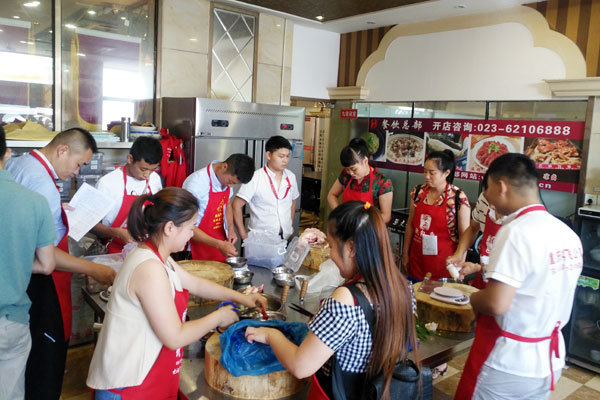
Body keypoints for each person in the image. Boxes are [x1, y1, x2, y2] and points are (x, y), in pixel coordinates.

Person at [87, 188, 266, 399]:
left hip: (146, 375)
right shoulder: (149, 268)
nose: (192, 234)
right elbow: (174, 337)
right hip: (127, 386)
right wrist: (219, 316)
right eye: (191, 227)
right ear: (170, 228)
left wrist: (241, 297)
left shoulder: (158, 255)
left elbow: (194, 283)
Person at [245, 201, 417, 400]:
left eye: (333, 247)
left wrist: (270, 335)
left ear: (351, 248)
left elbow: (301, 366)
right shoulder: (404, 287)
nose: (331, 256)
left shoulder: (347, 298)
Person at [455, 153, 583, 400]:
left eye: (488, 189)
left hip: (509, 361)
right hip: (549, 358)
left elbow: (496, 303)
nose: (488, 198)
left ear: (501, 187)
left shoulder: (515, 230)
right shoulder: (566, 234)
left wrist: (471, 297)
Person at [7, 127, 116, 399]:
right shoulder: (42, 184)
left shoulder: (21, 164)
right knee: (44, 364)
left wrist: (57, 209)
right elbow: (46, 257)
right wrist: (95, 268)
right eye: (78, 164)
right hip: (40, 284)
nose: (77, 172)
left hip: (17, 280)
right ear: (62, 150)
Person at [0, 126, 56, 400]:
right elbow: (47, 265)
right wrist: (15, 260)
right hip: (10, 322)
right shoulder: (35, 202)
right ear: (7, 154)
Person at [402, 150, 470, 280]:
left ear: (446, 173)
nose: (427, 176)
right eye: (425, 172)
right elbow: (410, 224)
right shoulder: (418, 192)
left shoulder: (457, 198)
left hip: (444, 264)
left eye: (432, 173)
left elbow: (465, 237)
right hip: (417, 260)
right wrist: (405, 253)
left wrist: (460, 266)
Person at [92, 136, 163, 253]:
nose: (147, 175)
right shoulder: (107, 183)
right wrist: (118, 233)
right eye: (143, 169)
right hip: (113, 251)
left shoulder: (154, 179)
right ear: (130, 159)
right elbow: (92, 226)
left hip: (145, 250)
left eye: (153, 169)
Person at [182, 154, 255, 261]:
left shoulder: (225, 181)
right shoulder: (196, 183)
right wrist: (219, 244)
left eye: (234, 184)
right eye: (231, 182)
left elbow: (227, 204)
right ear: (224, 167)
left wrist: (230, 229)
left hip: (218, 246)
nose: (230, 186)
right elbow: (185, 225)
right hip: (195, 250)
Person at [232, 136, 299, 241]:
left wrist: (289, 223)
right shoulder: (255, 178)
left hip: (285, 236)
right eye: (281, 156)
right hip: (260, 239)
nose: (285, 160)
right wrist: (243, 235)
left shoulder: (291, 176)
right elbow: (236, 205)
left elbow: (293, 200)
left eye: (287, 156)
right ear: (268, 155)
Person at [446, 180, 506, 288]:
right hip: (483, 278)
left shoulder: (520, 219)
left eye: (494, 200)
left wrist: (477, 268)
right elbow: (473, 228)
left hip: (503, 286)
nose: (491, 206)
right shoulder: (484, 198)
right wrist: (458, 255)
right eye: (488, 199)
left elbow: (509, 270)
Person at [327, 138, 393, 223]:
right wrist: (340, 214)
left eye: (353, 169)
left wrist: (362, 224)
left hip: (368, 228)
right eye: (347, 169)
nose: (351, 173)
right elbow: (331, 195)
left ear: (365, 161)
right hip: (346, 225)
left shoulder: (382, 182)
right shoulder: (346, 175)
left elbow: (386, 216)